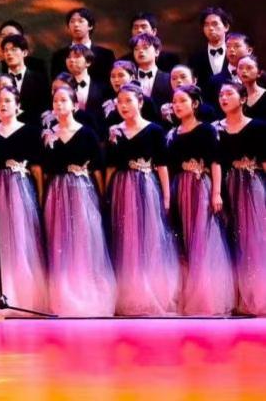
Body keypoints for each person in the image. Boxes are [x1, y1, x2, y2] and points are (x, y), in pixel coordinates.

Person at [104, 84, 179, 316]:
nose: (123, 105)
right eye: (120, 102)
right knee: (126, 240)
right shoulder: (114, 131)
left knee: (148, 239)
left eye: (128, 100)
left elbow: (162, 165)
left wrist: (166, 196)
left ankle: (150, 294)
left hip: (147, 187)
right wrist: (106, 193)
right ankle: (129, 296)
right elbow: (111, 166)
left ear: (140, 102)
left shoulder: (154, 130)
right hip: (122, 188)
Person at [42, 84, 116, 316]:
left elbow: (98, 169)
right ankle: (63, 296)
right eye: (55, 101)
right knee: (59, 243)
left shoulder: (87, 133)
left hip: (82, 191)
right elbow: (44, 171)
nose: (59, 105)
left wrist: (101, 197)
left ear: (74, 105)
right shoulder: (48, 135)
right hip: (57, 192)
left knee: (84, 241)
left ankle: (86, 294)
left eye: (64, 100)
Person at [163, 86, 234, 316]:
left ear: (194, 104)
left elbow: (215, 161)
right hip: (180, 187)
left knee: (202, 238)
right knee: (183, 239)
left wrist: (216, 192)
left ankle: (206, 297)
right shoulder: (172, 134)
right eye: (174, 102)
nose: (177, 105)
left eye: (183, 101)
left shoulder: (206, 130)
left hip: (200, 186)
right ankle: (186, 295)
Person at [0, 86, 49, 314]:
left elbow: (37, 168)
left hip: (20, 187)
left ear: (17, 105)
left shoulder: (29, 131)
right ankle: (4, 292)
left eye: (8, 101)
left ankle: (26, 295)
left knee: (22, 238)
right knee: (2, 239)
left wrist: (40, 194)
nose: (2, 105)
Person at [214, 82, 266, 315]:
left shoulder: (258, 127)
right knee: (230, 239)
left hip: (252, 185)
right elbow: (216, 162)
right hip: (228, 185)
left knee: (254, 239)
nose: (223, 98)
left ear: (243, 99)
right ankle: (234, 297)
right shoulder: (216, 129)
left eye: (229, 94)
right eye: (221, 95)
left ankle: (257, 296)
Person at [50, 7, 116, 84]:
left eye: (81, 21)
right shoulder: (59, 56)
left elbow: (110, 82)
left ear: (90, 26)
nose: (76, 25)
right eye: (72, 21)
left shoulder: (105, 55)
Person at [189, 7, 232, 91]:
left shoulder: (235, 54)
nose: (210, 28)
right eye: (206, 25)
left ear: (226, 27)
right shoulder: (195, 57)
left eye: (215, 24)